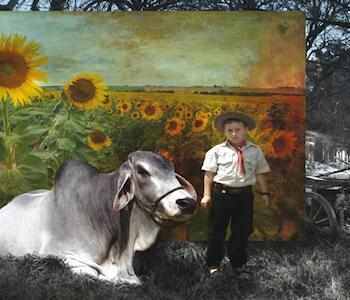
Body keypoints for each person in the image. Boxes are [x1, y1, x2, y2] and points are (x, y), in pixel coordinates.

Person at [200, 111, 271, 277]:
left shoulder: (255, 151)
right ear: (224, 132)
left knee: (242, 231)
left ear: (246, 129)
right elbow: (209, 175)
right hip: (221, 196)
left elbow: (260, 173)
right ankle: (213, 265)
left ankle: (238, 265)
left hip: (244, 197)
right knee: (216, 231)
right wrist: (207, 195)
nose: (234, 133)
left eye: (238, 129)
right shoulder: (216, 151)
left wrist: (265, 193)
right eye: (229, 130)